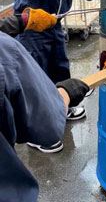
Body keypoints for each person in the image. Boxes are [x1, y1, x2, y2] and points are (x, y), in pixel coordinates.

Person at [13, 0, 100, 153]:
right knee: (35, 76)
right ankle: (37, 133)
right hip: (31, 22)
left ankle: (62, 106)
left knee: (59, 68)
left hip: (54, 21)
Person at [0, 11, 89, 202]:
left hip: (50, 26)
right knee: (35, 93)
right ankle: (35, 139)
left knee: (55, 69)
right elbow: (47, 123)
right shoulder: (6, 51)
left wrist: (18, 22)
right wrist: (65, 94)